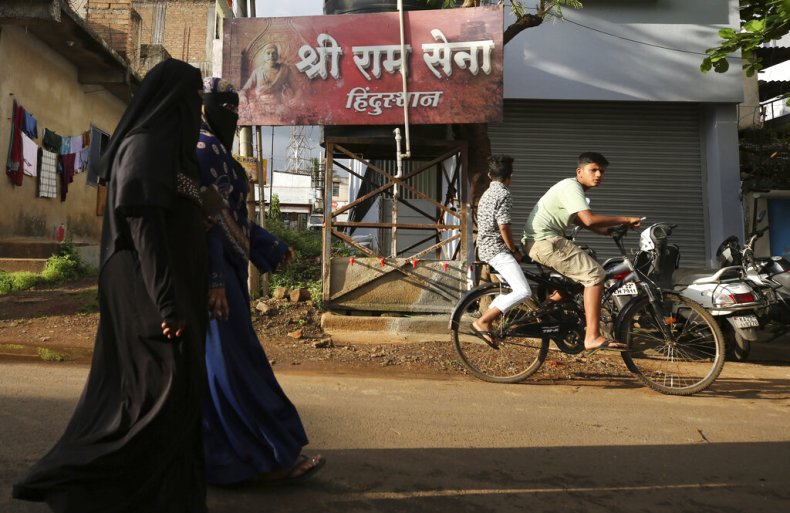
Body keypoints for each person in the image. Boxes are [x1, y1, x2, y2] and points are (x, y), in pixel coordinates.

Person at [12, 59, 209, 512]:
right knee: (157, 396)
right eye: (193, 97)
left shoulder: (169, 152)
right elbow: (145, 232)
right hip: (145, 292)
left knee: (170, 397)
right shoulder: (144, 148)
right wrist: (168, 305)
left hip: (163, 291)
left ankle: (164, 496)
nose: (198, 107)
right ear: (172, 100)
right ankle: (82, 487)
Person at [197, 77, 325, 486]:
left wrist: (268, 245)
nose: (231, 117)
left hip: (224, 274)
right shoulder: (201, 149)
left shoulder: (212, 148)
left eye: (236, 110)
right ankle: (261, 458)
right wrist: (215, 279)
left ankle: (235, 457)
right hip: (211, 278)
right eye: (225, 108)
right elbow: (208, 223)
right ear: (204, 107)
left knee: (229, 366)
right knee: (231, 369)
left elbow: (233, 218)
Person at [522, 152, 641, 352]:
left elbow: (578, 219)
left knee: (580, 275)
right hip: (546, 241)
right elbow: (588, 219)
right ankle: (592, 336)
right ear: (580, 172)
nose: (598, 175)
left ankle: (545, 309)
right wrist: (625, 219)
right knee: (595, 275)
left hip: (541, 242)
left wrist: (608, 231)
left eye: (601, 171)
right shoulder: (572, 187)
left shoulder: (571, 187)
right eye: (593, 170)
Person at [471, 155, 533, 346]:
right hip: (497, 250)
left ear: (490, 175)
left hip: (485, 249)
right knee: (524, 291)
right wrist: (514, 250)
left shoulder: (486, 194)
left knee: (509, 290)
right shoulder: (504, 194)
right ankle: (483, 321)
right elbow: (503, 225)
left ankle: (491, 319)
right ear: (510, 176)